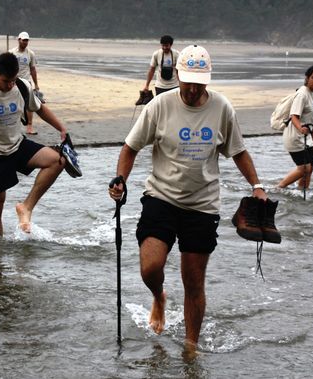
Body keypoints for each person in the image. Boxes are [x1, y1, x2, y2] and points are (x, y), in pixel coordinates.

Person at [109, 45, 268, 358]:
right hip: (161, 196)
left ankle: (191, 351)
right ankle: (158, 296)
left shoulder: (222, 108)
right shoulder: (159, 106)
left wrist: (258, 186)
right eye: (189, 81)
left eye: (201, 82)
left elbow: (238, 151)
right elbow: (130, 148)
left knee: (194, 283)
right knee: (150, 267)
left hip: (202, 204)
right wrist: (121, 181)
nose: (194, 89)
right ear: (179, 76)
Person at [0, 52, 67, 236]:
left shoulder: (22, 86)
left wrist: (61, 128)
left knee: (58, 160)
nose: (10, 85)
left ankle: (26, 207)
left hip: (17, 146)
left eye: (13, 80)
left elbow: (39, 108)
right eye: (6, 81)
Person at [278, 65, 313, 190]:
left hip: (306, 136)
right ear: (307, 78)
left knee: (310, 168)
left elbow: (309, 115)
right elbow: (294, 116)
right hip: (294, 136)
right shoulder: (302, 94)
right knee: (304, 168)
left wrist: (312, 131)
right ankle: (279, 188)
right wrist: (301, 129)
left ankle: (302, 191)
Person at [10, 31, 39, 135]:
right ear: (19, 40)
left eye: (27, 40)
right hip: (14, 82)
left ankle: (29, 127)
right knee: (14, 104)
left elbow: (33, 70)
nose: (25, 42)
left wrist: (36, 85)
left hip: (26, 81)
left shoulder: (30, 53)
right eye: (23, 40)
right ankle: (15, 126)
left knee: (29, 104)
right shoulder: (12, 52)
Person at [138, 35, 180, 105]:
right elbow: (152, 70)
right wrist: (147, 85)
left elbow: (179, 70)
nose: (164, 48)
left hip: (174, 86)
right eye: (163, 46)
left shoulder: (177, 54)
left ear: (171, 45)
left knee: (173, 105)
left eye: (166, 46)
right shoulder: (156, 54)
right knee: (160, 105)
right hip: (160, 86)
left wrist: (181, 84)